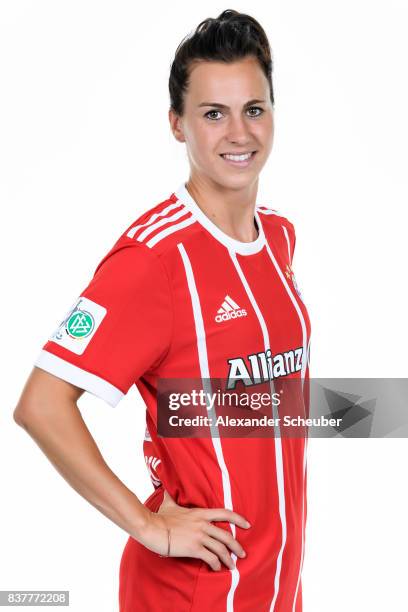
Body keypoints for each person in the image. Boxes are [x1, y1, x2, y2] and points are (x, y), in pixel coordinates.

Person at [14, 9, 312, 611]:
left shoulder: (278, 237)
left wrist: (381, 409)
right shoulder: (153, 260)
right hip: (194, 590)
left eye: (254, 109)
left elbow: (260, 391)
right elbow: (41, 405)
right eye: (212, 113)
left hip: (277, 586)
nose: (239, 133)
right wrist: (149, 527)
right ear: (177, 124)